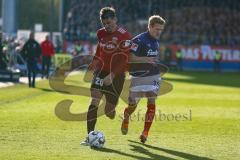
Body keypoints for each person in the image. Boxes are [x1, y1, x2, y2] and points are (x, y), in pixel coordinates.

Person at [81, 7, 131, 146]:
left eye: (109, 22)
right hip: (101, 70)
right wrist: (94, 62)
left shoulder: (124, 36)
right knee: (94, 99)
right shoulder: (100, 33)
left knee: (109, 111)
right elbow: (99, 49)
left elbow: (124, 59)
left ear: (115, 19)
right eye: (104, 23)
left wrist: (113, 75)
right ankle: (89, 136)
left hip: (118, 74)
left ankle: (112, 110)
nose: (107, 26)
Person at [121, 15, 166, 143]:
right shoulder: (138, 40)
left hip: (153, 75)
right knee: (132, 106)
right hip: (138, 76)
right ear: (150, 26)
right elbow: (130, 58)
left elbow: (153, 59)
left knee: (152, 100)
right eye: (157, 29)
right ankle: (126, 117)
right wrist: (146, 59)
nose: (159, 32)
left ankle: (145, 133)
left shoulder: (156, 42)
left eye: (161, 30)